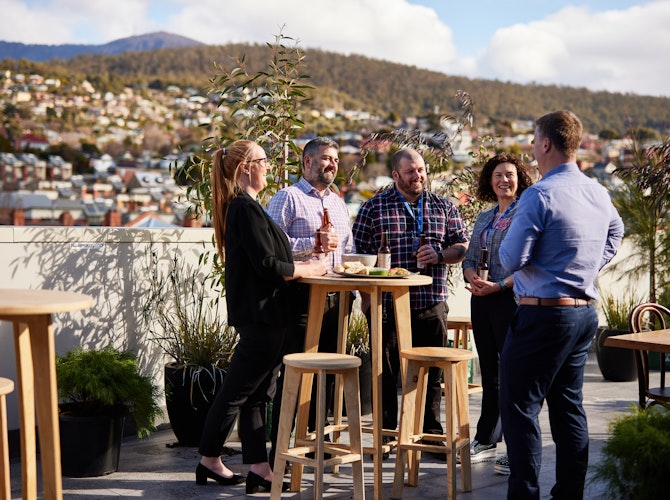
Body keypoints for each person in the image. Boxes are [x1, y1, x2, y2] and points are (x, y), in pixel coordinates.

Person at [499, 110, 624, 499]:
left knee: (519, 410)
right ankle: (569, 495)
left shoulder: (539, 194)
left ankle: (525, 495)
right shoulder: (597, 191)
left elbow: (509, 259)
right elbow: (616, 232)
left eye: (535, 141)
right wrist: (585, 267)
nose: (532, 149)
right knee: (569, 409)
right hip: (583, 312)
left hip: (544, 314)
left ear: (547, 144)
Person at [196, 140, 328, 494]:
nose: (269, 165)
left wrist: (301, 263)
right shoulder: (244, 209)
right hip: (262, 316)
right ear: (245, 168)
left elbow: (267, 258)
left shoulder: (248, 208)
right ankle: (209, 458)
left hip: (268, 315)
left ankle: (259, 468)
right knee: (237, 392)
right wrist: (307, 268)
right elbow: (268, 266)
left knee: (257, 396)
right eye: (263, 160)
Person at [352, 147, 469, 455]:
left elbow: (462, 246)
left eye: (421, 170)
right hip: (386, 306)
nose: (418, 176)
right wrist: (366, 301)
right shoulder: (373, 208)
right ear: (395, 175)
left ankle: (429, 435)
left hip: (431, 302)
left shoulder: (444, 206)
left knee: (431, 373)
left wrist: (441, 254)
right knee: (385, 375)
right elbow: (358, 257)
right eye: (410, 172)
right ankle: (388, 436)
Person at [266, 136, 355, 463]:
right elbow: (271, 249)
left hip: (335, 302)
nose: (331, 164)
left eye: (334, 159)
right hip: (297, 300)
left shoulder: (339, 203)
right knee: (294, 377)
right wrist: (311, 242)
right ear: (306, 162)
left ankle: (315, 452)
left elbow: (346, 252)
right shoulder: (286, 198)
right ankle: (281, 458)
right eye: (324, 159)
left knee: (325, 381)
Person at [462, 153, 533, 474]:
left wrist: (499, 286)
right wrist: (473, 278)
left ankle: (516, 449)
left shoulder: (526, 213)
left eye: (510, 174)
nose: (504, 180)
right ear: (489, 181)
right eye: (498, 176)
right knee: (489, 372)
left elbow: (531, 264)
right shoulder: (484, 217)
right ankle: (487, 438)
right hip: (482, 298)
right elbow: (469, 258)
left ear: (520, 178)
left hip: (511, 298)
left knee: (515, 375)